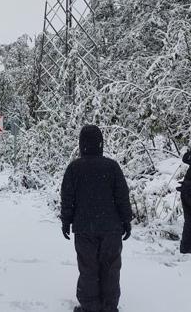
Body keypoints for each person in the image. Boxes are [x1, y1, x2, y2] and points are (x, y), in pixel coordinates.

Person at [61, 125, 132, 312]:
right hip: (111, 228)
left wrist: (66, 221)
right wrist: (127, 220)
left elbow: (67, 198)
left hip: (84, 228)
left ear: (81, 144)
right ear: (101, 143)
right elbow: (122, 196)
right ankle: (109, 307)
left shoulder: (74, 168)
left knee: (88, 268)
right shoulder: (112, 167)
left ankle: (90, 307)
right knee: (111, 267)